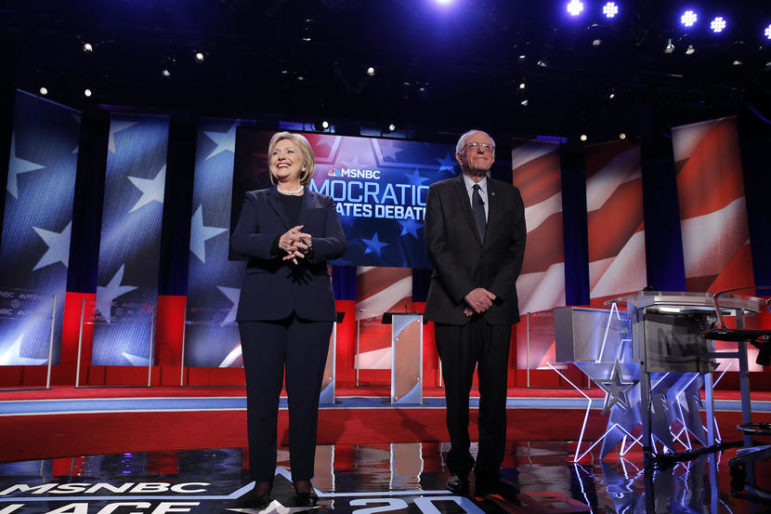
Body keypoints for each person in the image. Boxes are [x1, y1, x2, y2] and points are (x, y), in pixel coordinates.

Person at [230, 131, 347, 508]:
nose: (281, 156)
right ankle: (261, 481)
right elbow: (239, 241)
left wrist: (309, 243)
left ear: (304, 162)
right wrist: (277, 242)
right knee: (261, 400)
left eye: (289, 151)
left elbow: (339, 244)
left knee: (304, 401)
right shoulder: (256, 199)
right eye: (275, 152)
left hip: (310, 312)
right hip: (262, 311)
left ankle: (302, 480)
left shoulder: (324, 203)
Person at [424, 129, 526, 498]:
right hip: (454, 309)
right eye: (474, 147)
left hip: (496, 312)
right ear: (460, 156)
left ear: (493, 157)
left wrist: (491, 293)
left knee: (495, 397)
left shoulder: (511, 195)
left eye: (488, 148)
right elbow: (436, 247)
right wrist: (467, 292)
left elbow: (516, 251)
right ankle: (460, 467)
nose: (481, 152)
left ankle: (489, 471)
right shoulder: (440, 193)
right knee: (457, 395)